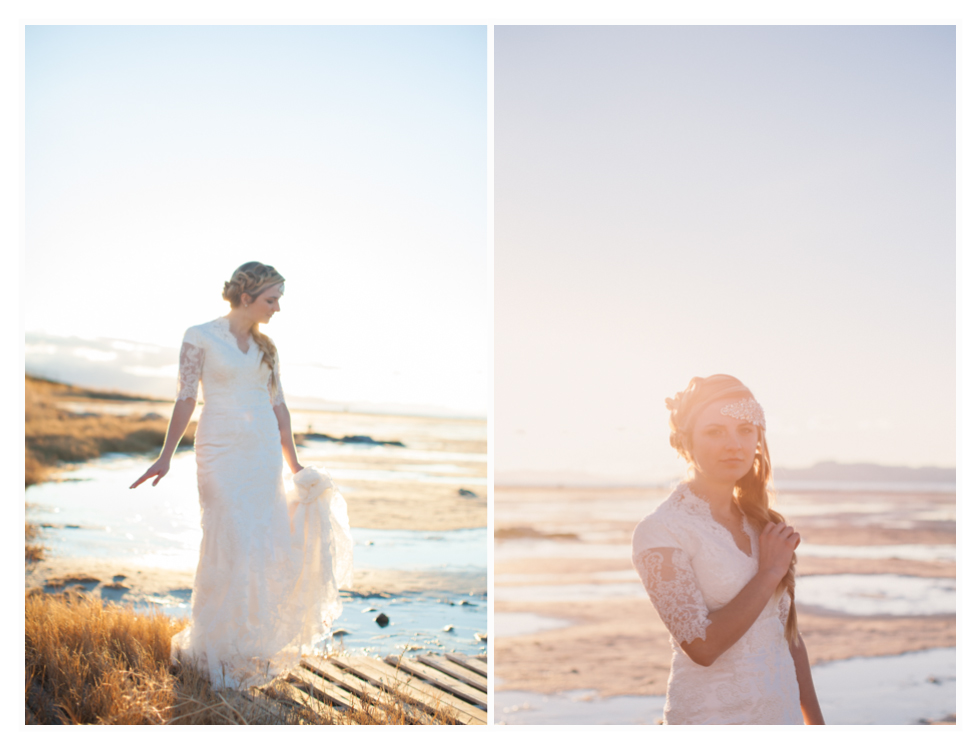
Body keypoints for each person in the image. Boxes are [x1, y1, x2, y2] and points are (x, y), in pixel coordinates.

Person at [131, 261, 353, 689]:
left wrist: (295, 467)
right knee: (226, 536)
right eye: (273, 300)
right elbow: (185, 397)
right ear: (246, 297)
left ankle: (245, 646)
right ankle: (213, 650)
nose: (278, 308)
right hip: (218, 450)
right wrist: (165, 456)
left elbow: (279, 407)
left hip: (262, 453)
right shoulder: (199, 336)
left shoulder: (268, 348)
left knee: (257, 546)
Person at [630, 374, 825, 725]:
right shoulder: (660, 531)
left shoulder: (762, 525)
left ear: (758, 439)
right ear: (684, 442)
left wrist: (815, 725)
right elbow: (702, 647)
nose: (733, 444)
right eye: (715, 431)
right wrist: (768, 573)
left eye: (745, 430)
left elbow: (788, 638)